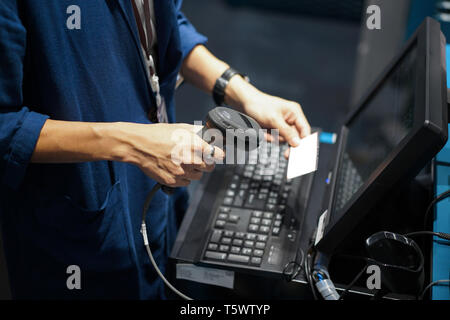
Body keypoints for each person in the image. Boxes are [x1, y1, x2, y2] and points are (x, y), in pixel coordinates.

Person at [0, 0, 310, 299]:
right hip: (79, 232)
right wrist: (131, 143)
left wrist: (236, 89)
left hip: (161, 194)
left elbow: (161, 23)